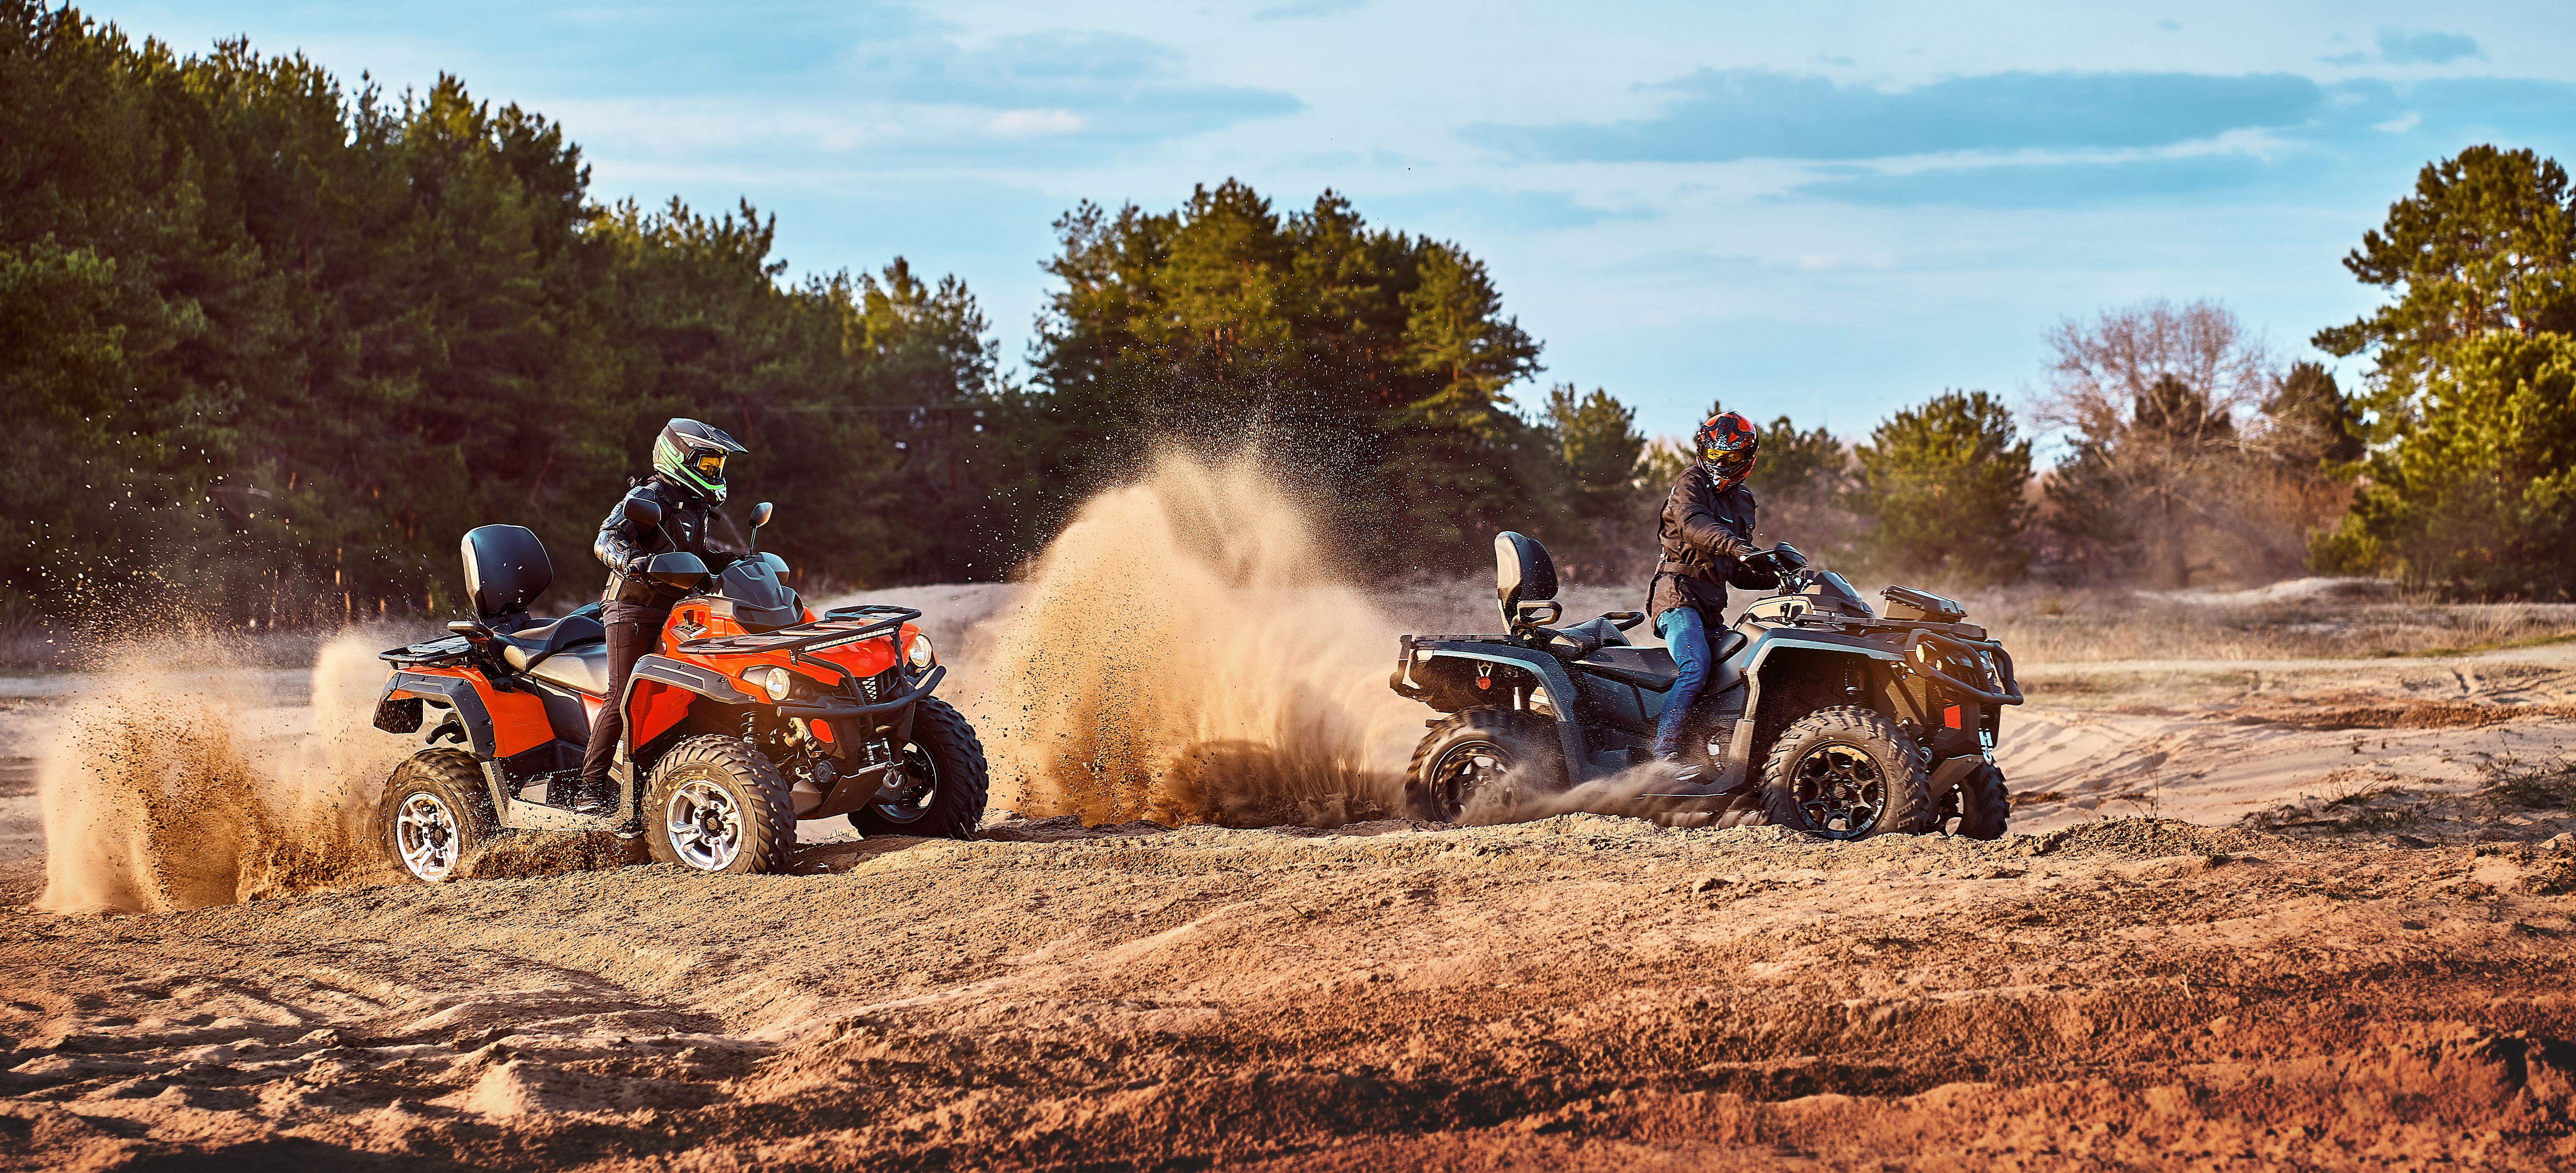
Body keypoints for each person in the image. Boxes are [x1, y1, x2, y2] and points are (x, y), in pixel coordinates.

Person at [573, 417, 748, 811]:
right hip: (633, 608)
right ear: (679, 457)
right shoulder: (650, 497)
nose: (715, 473)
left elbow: (697, 557)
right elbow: (607, 538)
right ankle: (590, 788)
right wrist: (631, 561)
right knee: (624, 694)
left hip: (679, 611)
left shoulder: (695, 506)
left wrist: (736, 563)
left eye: (717, 467)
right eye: (708, 465)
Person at [1646, 410, 1780, 775]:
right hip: (1677, 596)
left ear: (1747, 460)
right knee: (1696, 666)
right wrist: (1738, 547)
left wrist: (1776, 569)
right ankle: (1664, 756)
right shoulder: (1690, 483)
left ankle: (1709, 752)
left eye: (1731, 457)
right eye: (1716, 453)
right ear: (1703, 449)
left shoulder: (1743, 501)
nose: (1721, 462)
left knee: (1739, 669)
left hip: (1710, 607)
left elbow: (1738, 573)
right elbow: (1693, 527)